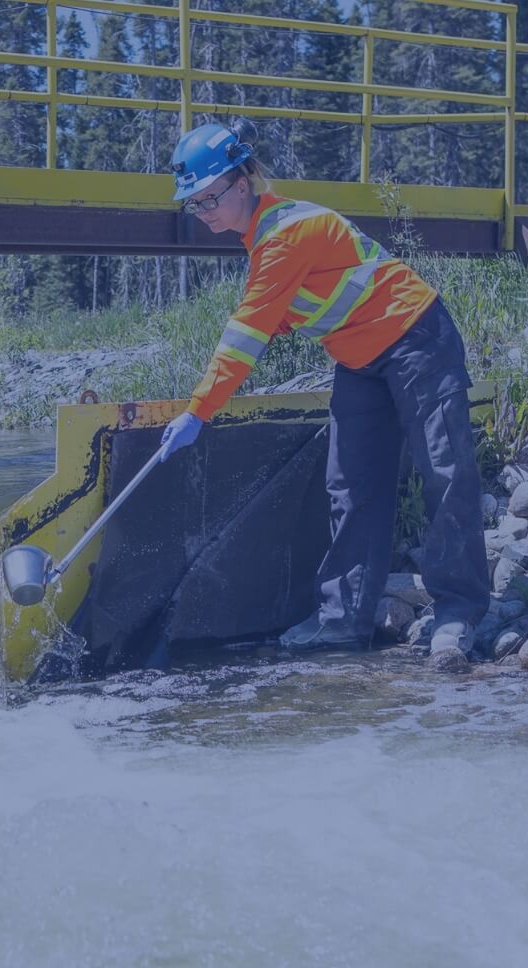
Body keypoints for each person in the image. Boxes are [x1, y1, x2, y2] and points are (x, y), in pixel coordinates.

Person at [158, 122, 489, 668]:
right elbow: (300, 306)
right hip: (360, 359)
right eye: (194, 204)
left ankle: (459, 610)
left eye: (209, 197)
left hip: (415, 336)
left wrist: (199, 411)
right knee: (350, 485)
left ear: (242, 183)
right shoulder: (263, 236)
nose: (204, 211)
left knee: (445, 471)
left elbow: (245, 334)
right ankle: (342, 622)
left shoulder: (285, 234)